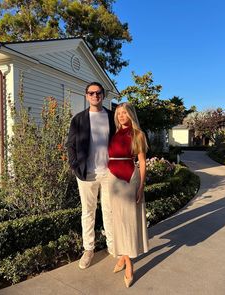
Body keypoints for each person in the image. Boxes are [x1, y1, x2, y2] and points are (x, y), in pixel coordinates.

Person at [66, 82, 116, 269]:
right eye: (91, 93)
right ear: (86, 96)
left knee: (110, 211)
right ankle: (88, 249)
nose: (95, 96)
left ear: (103, 95)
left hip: (109, 173)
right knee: (88, 212)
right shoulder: (78, 119)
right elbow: (70, 145)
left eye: (98, 93)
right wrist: (74, 166)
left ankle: (112, 246)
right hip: (86, 174)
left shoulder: (112, 117)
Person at [108, 102, 149, 288]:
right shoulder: (114, 134)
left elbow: (142, 162)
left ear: (130, 114)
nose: (121, 116)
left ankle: (128, 264)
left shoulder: (138, 134)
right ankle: (124, 258)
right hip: (113, 179)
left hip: (129, 178)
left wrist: (141, 187)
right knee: (118, 220)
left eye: (124, 113)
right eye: (118, 113)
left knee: (128, 221)